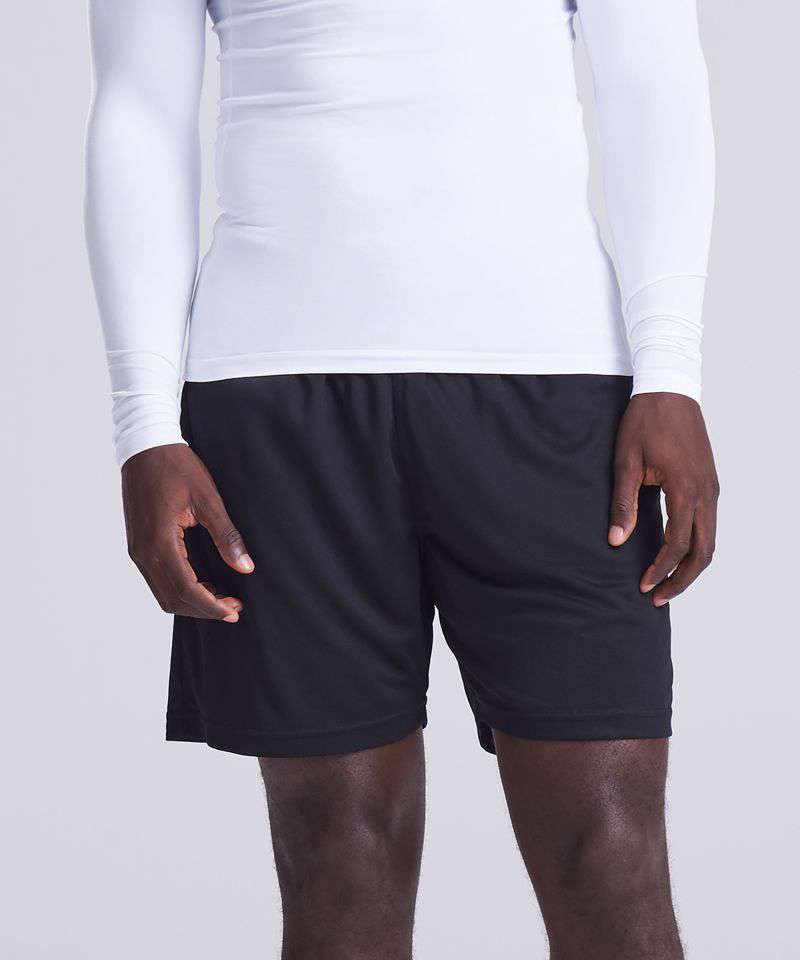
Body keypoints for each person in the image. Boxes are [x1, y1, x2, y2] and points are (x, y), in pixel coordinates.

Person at [85, 1, 719, 956]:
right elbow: (138, 111)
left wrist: (670, 371)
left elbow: (653, 79)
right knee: (337, 858)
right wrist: (144, 426)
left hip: (555, 392)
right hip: (274, 397)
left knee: (609, 853)